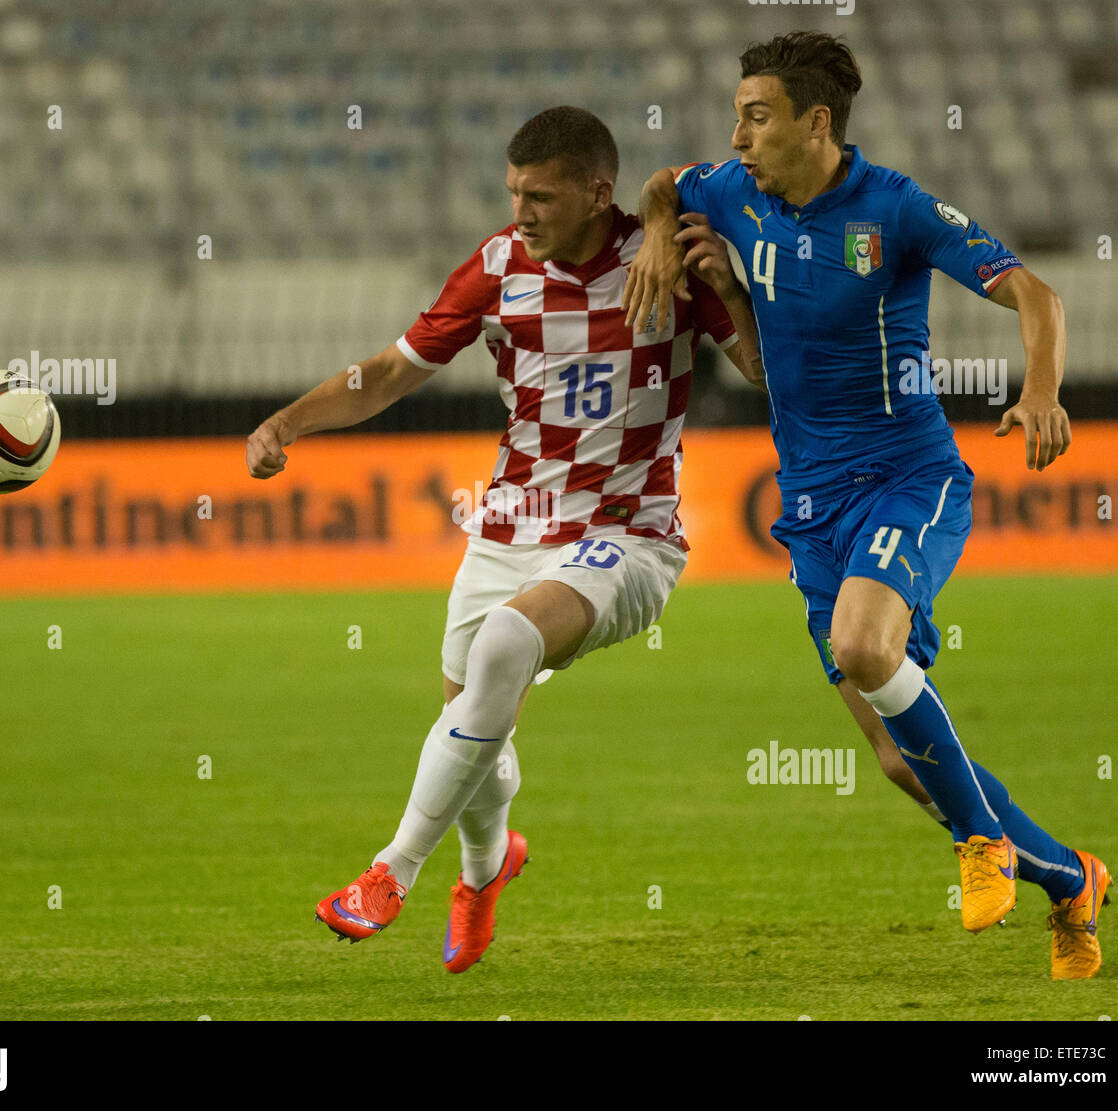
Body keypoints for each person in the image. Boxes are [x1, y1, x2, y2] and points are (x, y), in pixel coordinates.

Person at [623, 31, 1111, 980]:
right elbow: (660, 184)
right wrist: (667, 243)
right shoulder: (729, 189)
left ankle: (981, 841)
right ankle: (1071, 878)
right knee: (896, 759)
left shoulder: (895, 209)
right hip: (812, 507)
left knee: (863, 645)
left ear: (815, 122)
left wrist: (1042, 389)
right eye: (736, 115)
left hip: (907, 479)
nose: (739, 133)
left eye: (757, 117)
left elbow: (1038, 296)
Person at [246, 106, 758, 972]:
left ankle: (390, 872)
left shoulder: (663, 261)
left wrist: (732, 290)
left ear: (600, 193)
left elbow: (761, 372)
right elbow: (394, 372)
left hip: (627, 535)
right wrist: (287, 423)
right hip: (509, 529)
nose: (521, 211)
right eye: (514, 192)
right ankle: (485, 874)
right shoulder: (496, 267)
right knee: (474, 720)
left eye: (542, 196)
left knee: (507, 643)